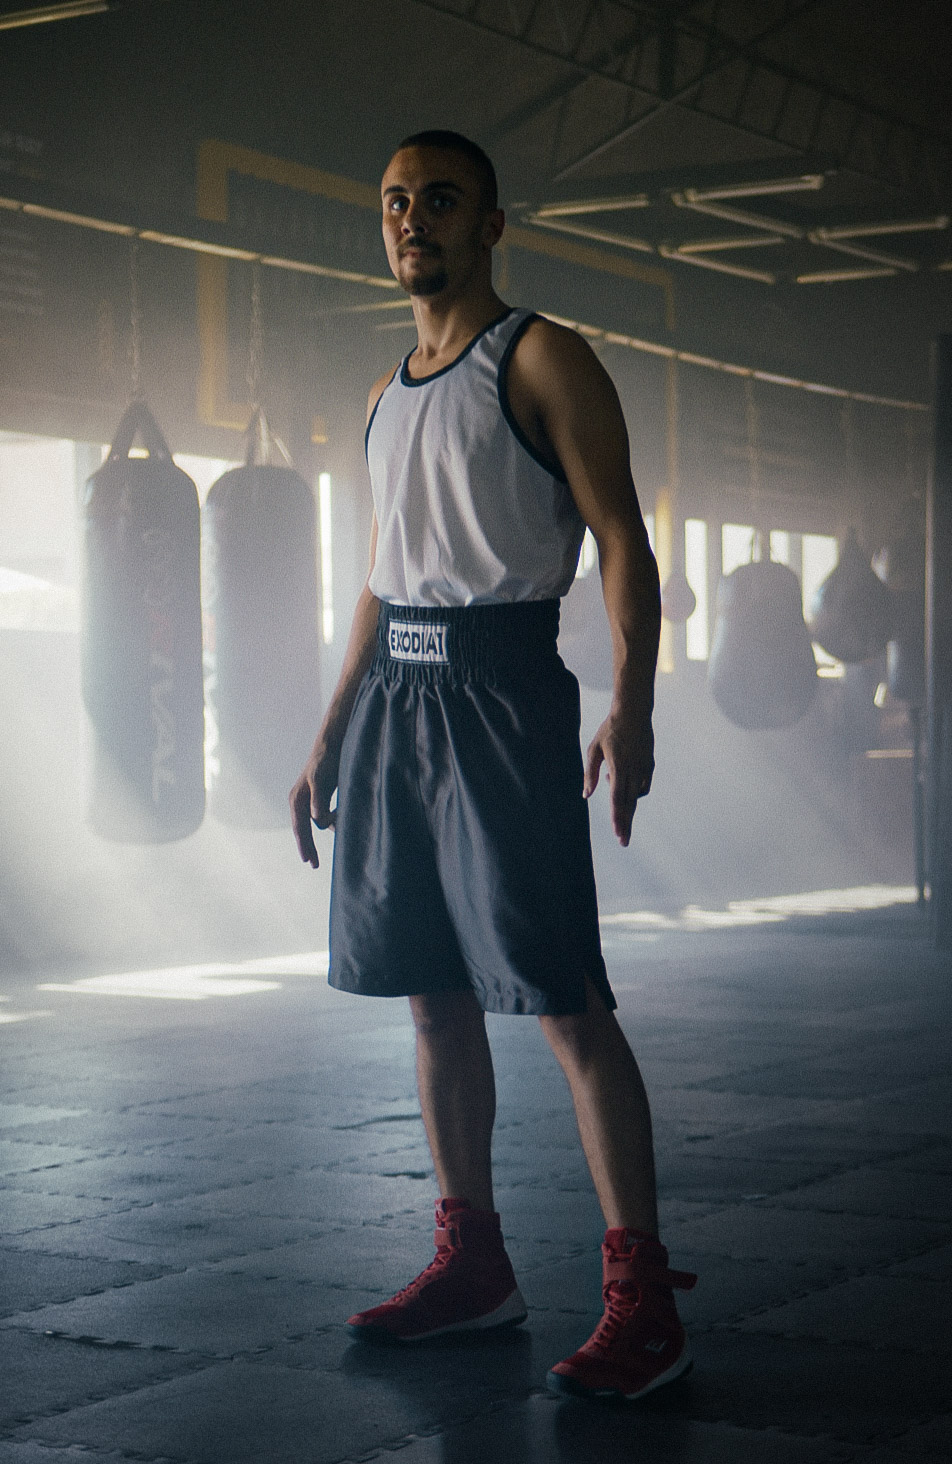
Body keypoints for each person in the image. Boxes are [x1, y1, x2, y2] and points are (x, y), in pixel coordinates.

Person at [290, 129, 696, 1402]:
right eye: (396, 201)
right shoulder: (381, 393)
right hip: (399, 697)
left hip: (501, 688)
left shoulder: (538, 356)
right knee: (427, 990)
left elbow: (623, 539)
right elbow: (380, 573)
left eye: (441, 201)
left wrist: (631, 704)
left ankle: (642, 1296)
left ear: (492, 223)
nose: (414, 221)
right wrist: (331, 726)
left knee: (564, 1000)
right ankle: (474, 1268)